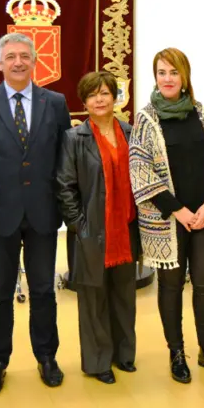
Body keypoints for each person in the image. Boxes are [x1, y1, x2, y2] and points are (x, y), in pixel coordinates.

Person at [0, 32, 71, 395]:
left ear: (35, 61)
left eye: (25, 56)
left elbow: (64, 155)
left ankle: (46, 356)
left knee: (43, 290)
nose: (18, 62)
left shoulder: (55, 102)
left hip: (43, 210)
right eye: (11, 57)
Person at [129, 48, 204, 384]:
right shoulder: (146, 120)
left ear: (184, 76)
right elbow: (140, 172)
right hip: (166, 220)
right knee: (171, 286)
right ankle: (176, 352)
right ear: (155, 77)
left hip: (203, 217)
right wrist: (178, 210)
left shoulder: (203, 114)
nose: (168, 78)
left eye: (174, 72)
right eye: (162, 72)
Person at [56, 71, 138, 384]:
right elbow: (65, 187)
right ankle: (97, 361)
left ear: (115, 97)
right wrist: (81, 226)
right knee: (93, 298)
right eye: (92, 95)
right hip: (91, 231)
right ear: (84, 102)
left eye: (105, 93)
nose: (100, 99)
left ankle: (123, 354)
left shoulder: (131, 132)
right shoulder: (74, 138)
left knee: (124, 294)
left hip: (126, 228)